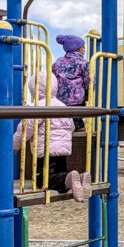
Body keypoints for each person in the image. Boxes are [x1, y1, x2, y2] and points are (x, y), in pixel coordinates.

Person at [12, 72, 90, 200]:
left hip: (46, 150)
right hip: (63, 151)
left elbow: (25, 129)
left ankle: (69, 178)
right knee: (60, 179)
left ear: (33, 90)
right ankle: (80, 177)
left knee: (43, 180)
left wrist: (15, 145)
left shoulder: (37, 107)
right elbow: (71, 126)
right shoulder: (62, 106)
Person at [52, 34, 90, 107]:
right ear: (78, 48)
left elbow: (53, 80)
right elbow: (88, 82)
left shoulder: (58, 62)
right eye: (83, 47)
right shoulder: (83, 62)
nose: (84, 50)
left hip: (59, 101)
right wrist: (85, 95)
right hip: (77, 101)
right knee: (76, 118)